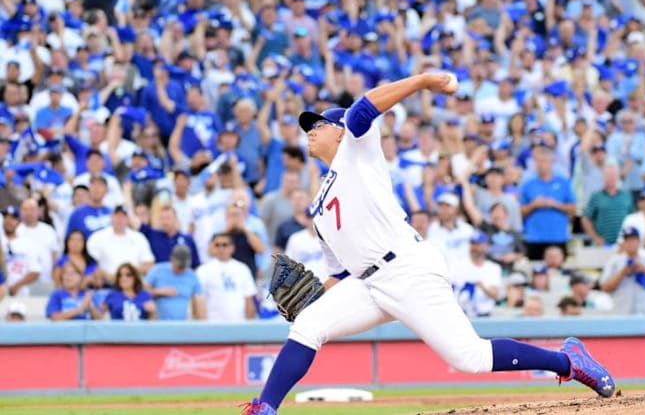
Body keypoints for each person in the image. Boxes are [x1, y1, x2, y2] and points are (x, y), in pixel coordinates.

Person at [240, 72, 614, 415]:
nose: (311, 129)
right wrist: (318, 296)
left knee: (471, 357)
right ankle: (266, 407)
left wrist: (422, 81)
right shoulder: (318, 206)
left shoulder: (357, 152)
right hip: (368, 283)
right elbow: (339, 273)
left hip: (408, 268)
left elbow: (362, 111)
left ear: (338, 132)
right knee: (309, 324)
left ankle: (568, 360)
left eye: (319, 124)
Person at [599, 227, 645, 315]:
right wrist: (622, 273)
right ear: (624, 243)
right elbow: (605, 287)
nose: (631, 243)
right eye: (628, 240)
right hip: (623, 314)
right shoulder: (615, 261)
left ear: (639, 242)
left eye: (633, 240)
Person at [196, 233, 257, 321]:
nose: (221, 248)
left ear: (232, 248)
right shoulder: (203, 270)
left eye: (225, 245)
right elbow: (199, 300)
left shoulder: (242, 269)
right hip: (213, 325)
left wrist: (249, 325)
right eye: (217, 245)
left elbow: (249, 299)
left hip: (239, 325)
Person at [144, 245, 206, 321]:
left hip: (183, 323)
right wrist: (159, 292)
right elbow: (141, 292)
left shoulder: (192, 276)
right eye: (179, 266)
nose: (181, 269)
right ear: (171, 259)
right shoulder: (157, 270)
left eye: (184, 266)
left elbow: (199, 300)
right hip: (159, 323)